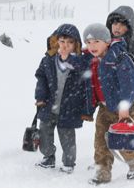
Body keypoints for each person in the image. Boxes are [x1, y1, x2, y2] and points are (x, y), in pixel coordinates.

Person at [81, 23, 134, 185]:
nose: (92, 46)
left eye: (96, 41)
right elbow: (93, 85)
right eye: (88, 43)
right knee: (101, 141)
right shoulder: (94, 60)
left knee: (125, 141)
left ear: (107, 41)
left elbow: (129, 85)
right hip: (104, 107)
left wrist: (124, 108)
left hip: (124, 108)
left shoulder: (120, 58)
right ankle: (102, 170)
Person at [34, 23, 85, 173]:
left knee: (67, 136)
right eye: (62, 42)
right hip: (49, 105)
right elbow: (41, 78)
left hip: (69, 107)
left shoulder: (79, 62)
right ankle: (48, 157)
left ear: (76, 45)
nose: (65, 46)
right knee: (44, 132)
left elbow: (85, 80)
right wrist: (40, 96)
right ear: (56, 41)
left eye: (70, 43)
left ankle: (69, 163)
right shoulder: (49, 60)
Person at [106, 5, 134, 81]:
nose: (117, 27)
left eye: (122, 24)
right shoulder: (104, 44)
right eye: (115, 24)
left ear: (129, 28)